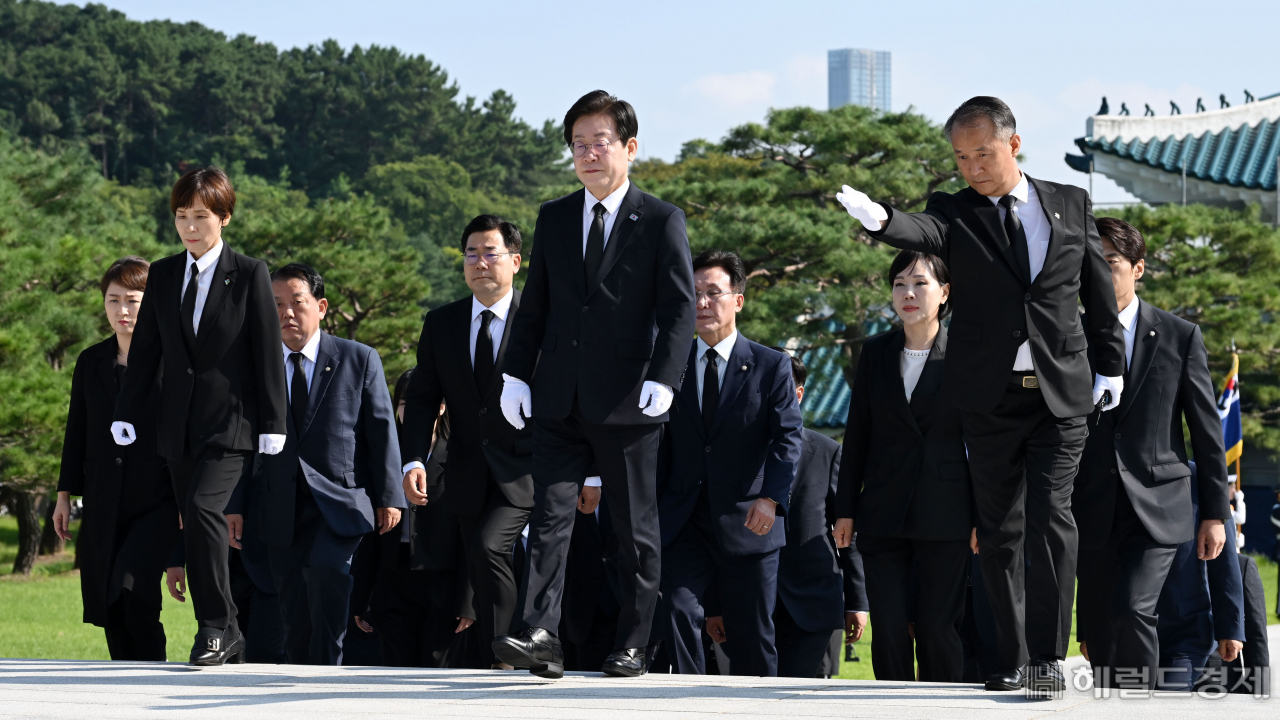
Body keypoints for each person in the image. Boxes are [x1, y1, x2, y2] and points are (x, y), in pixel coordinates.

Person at [835, 96, 1127, 691]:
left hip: (1059, 396)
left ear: (1012, 145)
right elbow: (923, 229)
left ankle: (1047, 660)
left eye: (982, 154)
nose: (972, 167)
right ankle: (1012, 659)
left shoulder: (1068, 203)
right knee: (999, 532)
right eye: (961, 157)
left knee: (1051, 520)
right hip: (989, 399)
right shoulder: (954, 212)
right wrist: (880, 219)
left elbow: (1096, 293)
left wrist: (1110, 366)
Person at [492, 90, 696, 679]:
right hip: (558, 396)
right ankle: (540, 636)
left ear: (629, 148)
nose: (587, 153)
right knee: (550, 519)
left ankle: (633, 642)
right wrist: (515, 374)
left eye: (599, 142)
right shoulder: (554, 215)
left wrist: (665, 377)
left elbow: (679, 310)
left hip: (630, 399)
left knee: (634, 530)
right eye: (577, 144)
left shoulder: (661, 219)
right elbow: (537, 308)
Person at [111, 166, 288, 665]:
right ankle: (230, 630)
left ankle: (212, 625)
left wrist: (275, 423)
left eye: (201, 216)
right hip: (177, 428)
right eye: (182, 216)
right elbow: (147, 351)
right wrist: (127, 410)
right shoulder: (164, 273)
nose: (190, 226)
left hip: (231, 424)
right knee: (195, 521)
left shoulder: (250, 273)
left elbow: (266, 354)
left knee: (207, 512)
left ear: (224, 218)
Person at [1072, 217, 1230, 690]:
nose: (1099, 274)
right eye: (1089, 265)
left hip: (1159, 505)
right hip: (1090, 504)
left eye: (1111, 263)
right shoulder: (1066, 338)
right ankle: (1110, 701)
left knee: (1132, 609)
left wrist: (1216, 515)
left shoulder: (1181, 337)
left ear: (1138, 269)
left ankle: (1140, 707)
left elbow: (1206, 432)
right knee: (1098, 632)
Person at [225, 262, 404, 665]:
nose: (286, 312)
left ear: (321, 306)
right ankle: (304, 679)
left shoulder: (358, 359)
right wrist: (234, 505)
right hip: (278, 504)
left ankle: (329, 671)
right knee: (295, 610)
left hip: (340, 502)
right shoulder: (254, 366)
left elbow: (381, 430)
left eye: (297, 302)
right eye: (276, 305)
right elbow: (241, 441)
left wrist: (390, 496)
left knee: (328, 574)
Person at [656, 250, 803, 677]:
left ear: (738, 300)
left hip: (748, 520)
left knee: (753, 638)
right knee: (679, 612)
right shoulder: (669, 363)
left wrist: (771, 499)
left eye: (713, 293)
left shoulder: (770, 365)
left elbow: (787, 437)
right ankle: (689, 702)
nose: (702, 303)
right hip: (684, 520)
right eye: (694, 293)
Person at [400, 215, 533, 669]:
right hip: (467, 472)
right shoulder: (442, 323)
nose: (480, 263)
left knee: (489, 548)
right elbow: (421, 400)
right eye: (471, 253)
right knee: (479, 568)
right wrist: (412, 459)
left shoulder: (539, 319)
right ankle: (499, 659)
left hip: (528, 470)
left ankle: (510, 650)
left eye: (490, 253)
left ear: (515, 261)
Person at [831, 250, 972, 682]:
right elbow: (858, 437)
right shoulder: (874, 352)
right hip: (882, 512)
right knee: (889, 627)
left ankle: (944, 707)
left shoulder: (966, 354)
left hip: (947, 513)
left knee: (935, 628)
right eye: (899, 284)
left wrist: (985, 515)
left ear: (944, 293)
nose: (908, 293)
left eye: (921, 283)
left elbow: (984, 443)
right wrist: (845, 508)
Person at [52, 257, 181, 661]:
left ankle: (149, 678)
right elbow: (78, 430)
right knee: (110, 603)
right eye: (113, 300)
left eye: (132, 300)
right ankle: (123, 685)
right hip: (105, 499)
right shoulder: (91, 361)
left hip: (158, 500)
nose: (122, 310)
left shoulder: (173, 361)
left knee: (133, 589)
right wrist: (63, 492)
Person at [351, 372, 476, 668]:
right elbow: (370, 532)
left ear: (442, 407)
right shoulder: (383, 457)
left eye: (421, 402)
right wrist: (359, 598)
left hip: (442, 581)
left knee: (435, 670)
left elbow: (470, 533)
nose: (410, 411)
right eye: (404, 403)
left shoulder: (461, 455)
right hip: (393, 577)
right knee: (395, 667)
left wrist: (468, 600)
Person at [772, 351, 868, 678]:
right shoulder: (738, 452)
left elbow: (846, 532)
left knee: (802, 699)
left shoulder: (828, 452)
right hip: (752, 600)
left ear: (797, 393)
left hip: (813, 599)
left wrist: (857, 601)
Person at [1155, 462, 1245, 692]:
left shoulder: (1199, 478)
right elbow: (1095, 560)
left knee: (1168, 705)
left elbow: (1224, 564)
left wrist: (1230, 629)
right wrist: (1089, 630)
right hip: (1123, 629)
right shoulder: (1114, 474)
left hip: (1185, 632)